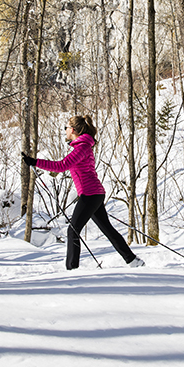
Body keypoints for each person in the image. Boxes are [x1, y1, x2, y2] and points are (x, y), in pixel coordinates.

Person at [22, 115, 144, 270]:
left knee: (73, 230)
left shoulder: (82, 147)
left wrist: (35, 162)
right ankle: (132, 260)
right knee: (107, 229)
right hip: (94, 193)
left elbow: (61, 166)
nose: (65, 131)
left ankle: (72, 269)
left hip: (90, 194)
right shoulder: (82, 146)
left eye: (66, 128)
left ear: (72, 130)